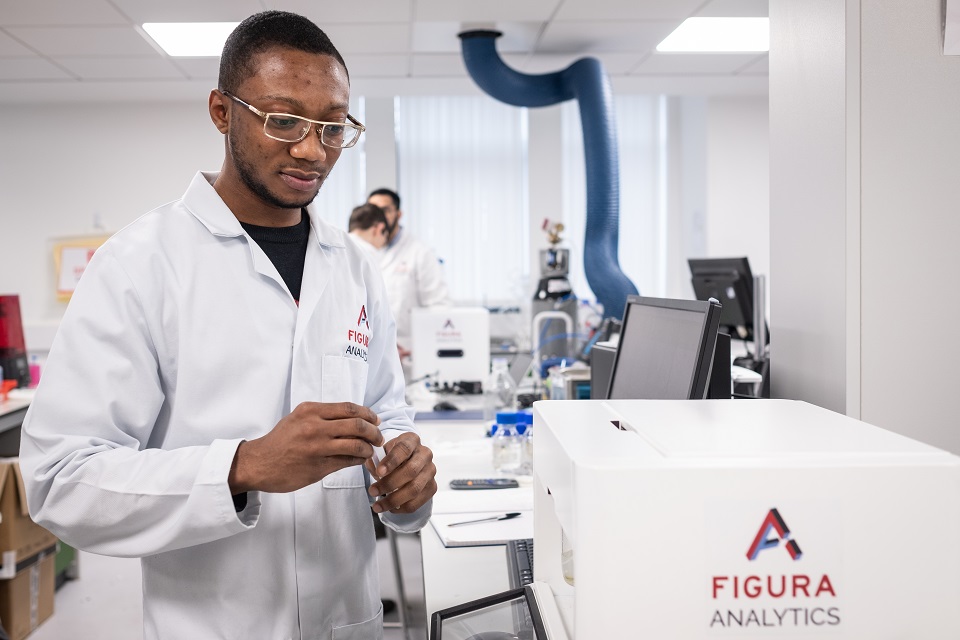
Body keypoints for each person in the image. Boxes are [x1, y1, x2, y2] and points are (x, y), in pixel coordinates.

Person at [19, 11, 437, 640]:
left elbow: (386, 414)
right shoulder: (140, 265)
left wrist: (406, 479)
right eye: (283, 119)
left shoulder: (353, 267)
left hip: (345, 620)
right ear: (221, 110)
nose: (311, 150)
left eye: (331, 127)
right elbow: (60, 480)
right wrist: (240, 467)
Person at [367, 188, 451, 363]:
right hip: (369, 353)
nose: (378, 216)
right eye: (373, 210)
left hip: (408, 356)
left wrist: (421, 347)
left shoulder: (420, 253)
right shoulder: (361, 250)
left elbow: (439, 308)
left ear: (399, 214)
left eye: (385, 210)